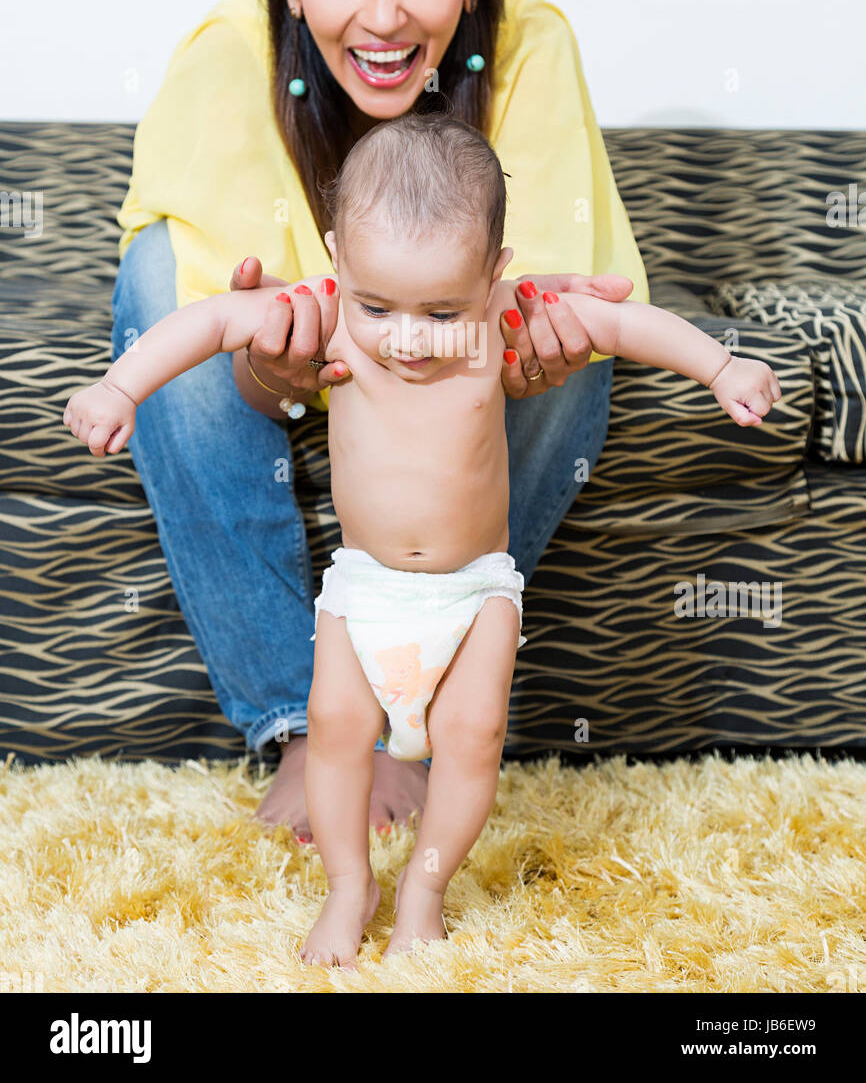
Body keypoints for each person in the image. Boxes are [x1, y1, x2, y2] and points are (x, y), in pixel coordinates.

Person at [67, 111, 781, 965]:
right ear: (337, 258)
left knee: (473, 739)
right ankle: (348, 886)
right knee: (334, 732)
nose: (405, 338)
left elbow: (624, 327)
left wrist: (722, 366)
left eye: (441, 309)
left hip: (475, 593)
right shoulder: (329, 310)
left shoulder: (503, 317)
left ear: (494, 275)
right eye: (379, 306)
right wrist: (120, 387)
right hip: (363, 590)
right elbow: (208, 322)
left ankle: (424, 889)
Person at [112, 0, 650, 842]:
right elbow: (217, 353)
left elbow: (541, 283)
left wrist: (528, 347)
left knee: (573, 316)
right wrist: (266, 365)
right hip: (307, 360)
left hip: (461, 374)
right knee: (149, 277)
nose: (384, 17)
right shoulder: (228, 54)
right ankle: (303, 726)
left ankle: (417, 703)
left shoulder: (532, 43)